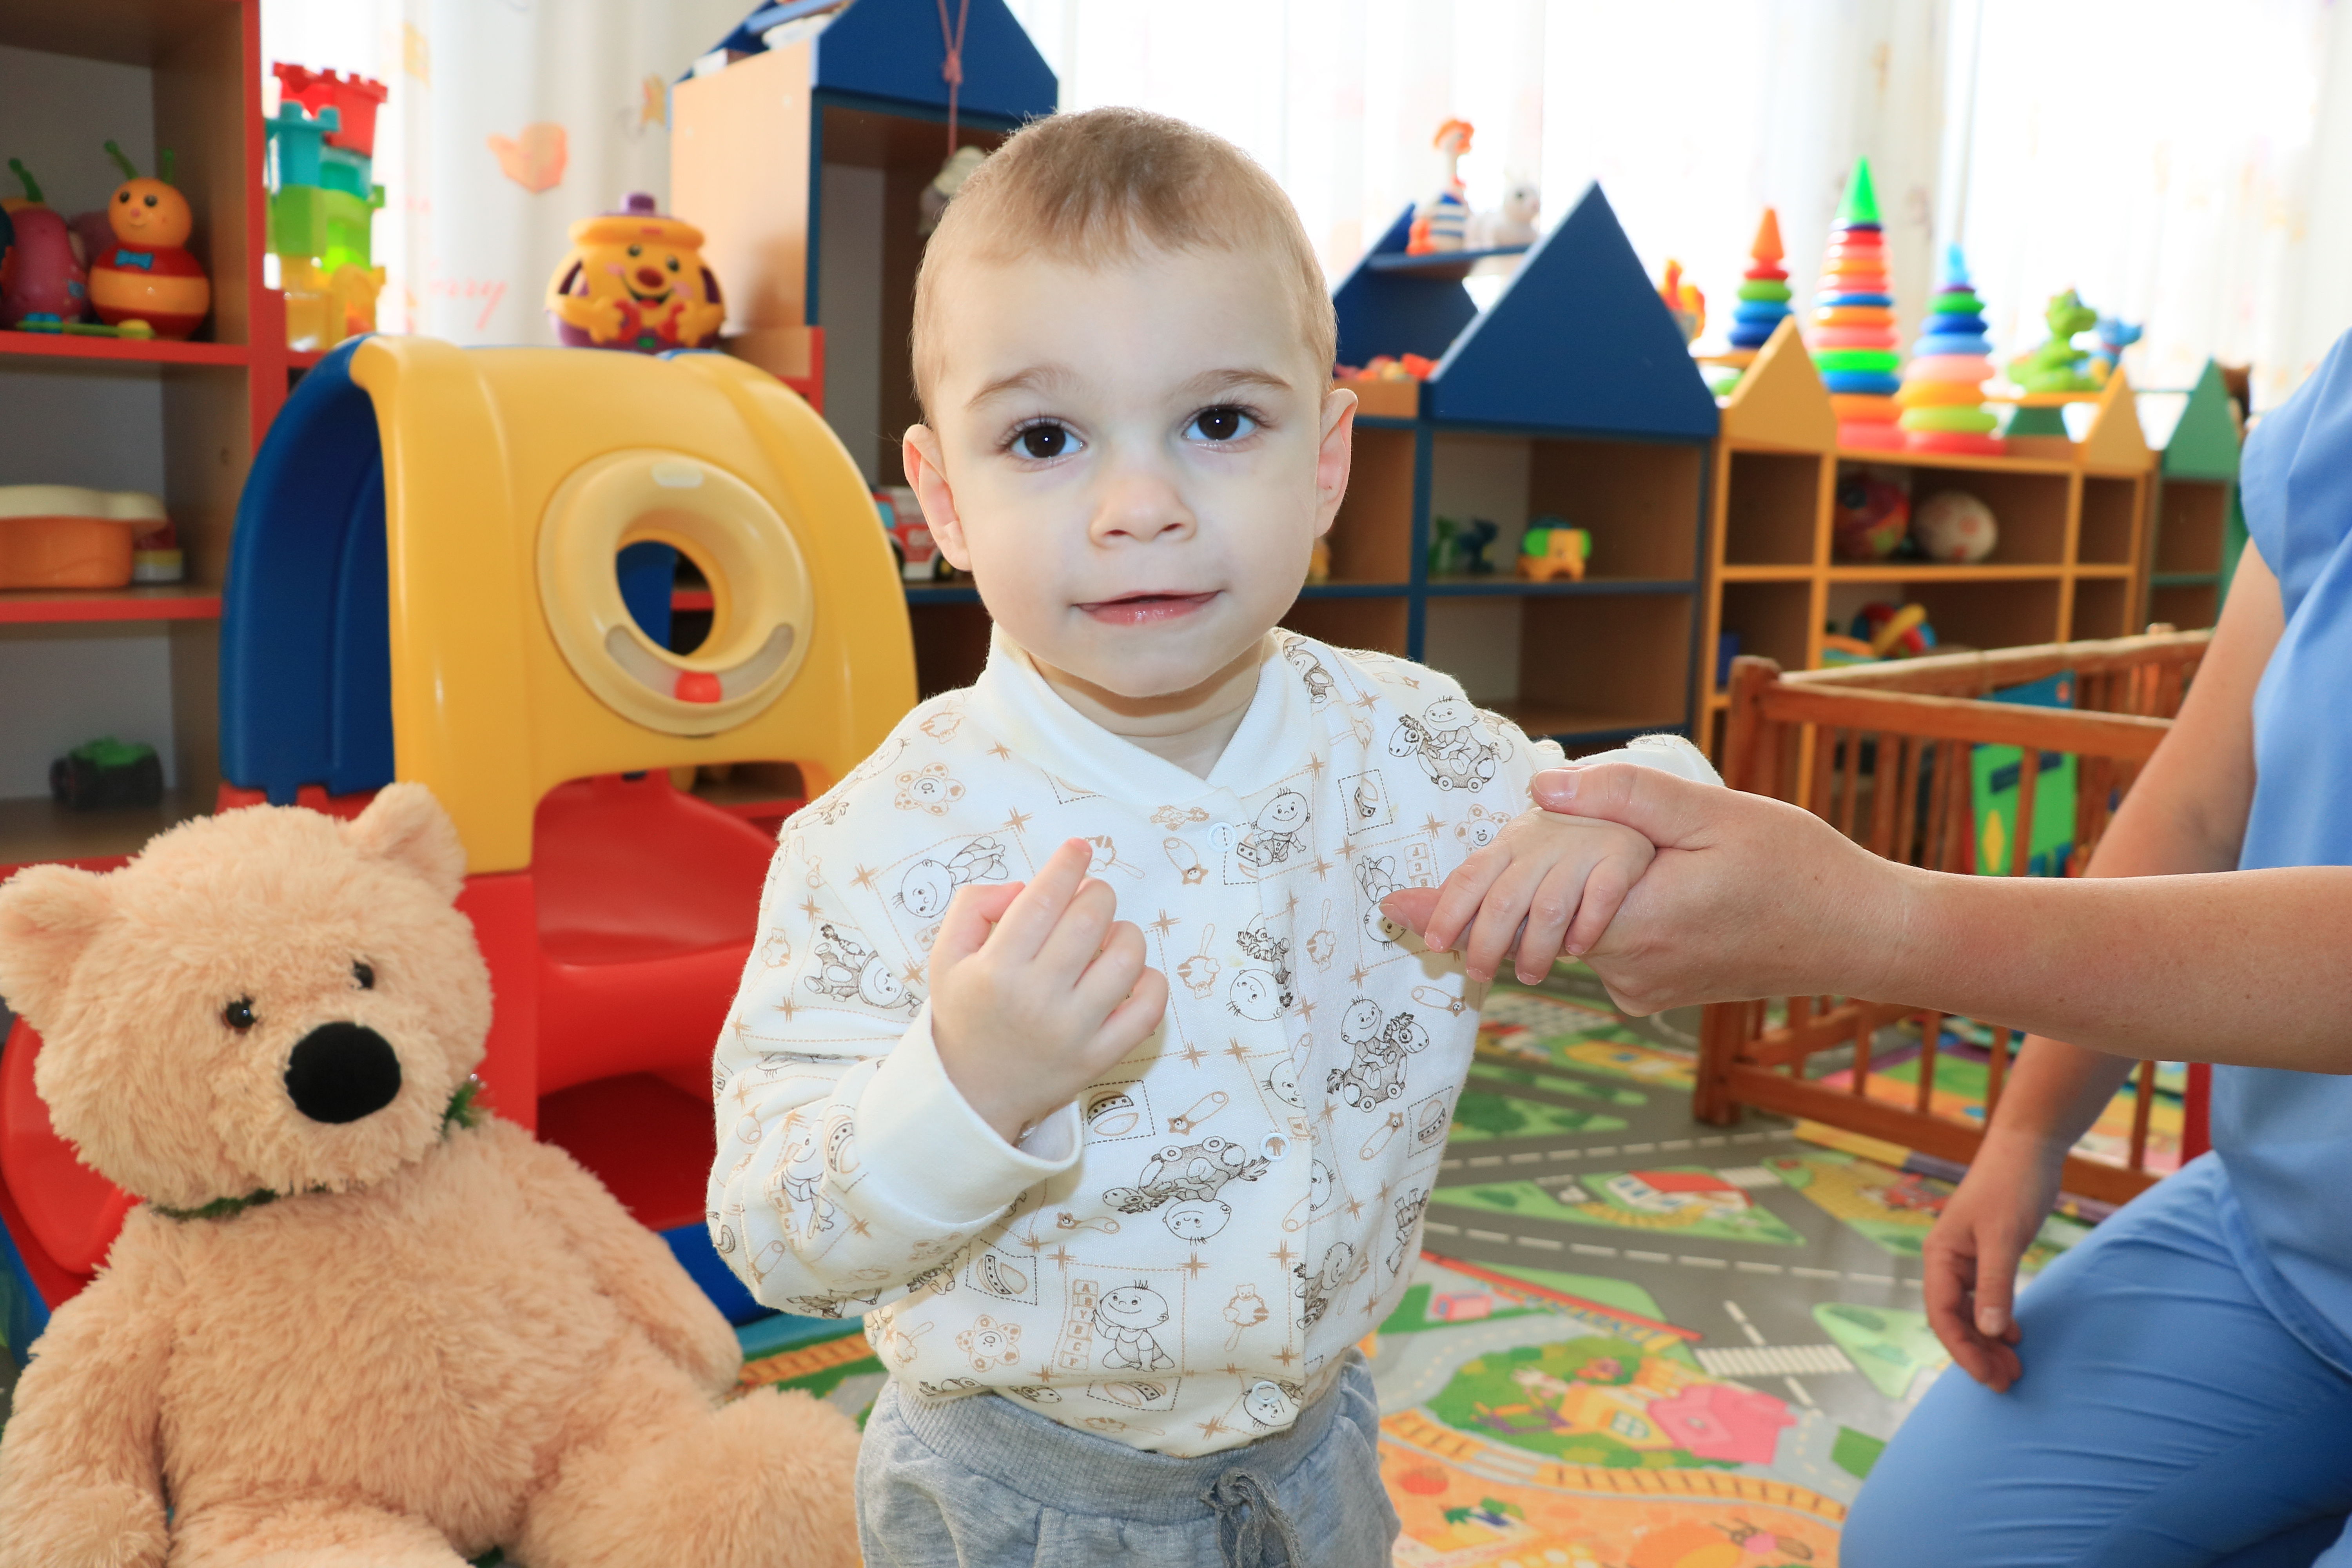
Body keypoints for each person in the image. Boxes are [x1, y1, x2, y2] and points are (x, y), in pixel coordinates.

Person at [705, 107, 1703, 1568]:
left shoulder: (1405, 747)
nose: (1143, 507)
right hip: (1020, 1497)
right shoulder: (881, 843)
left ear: (1326, 461)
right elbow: (769, 1232)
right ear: (944, 501)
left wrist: (1621, 824)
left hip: (1316, 1452)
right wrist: (969, 1085)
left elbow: (1661, 801)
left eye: (1219, 423)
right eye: (1046, 438)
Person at [1386, 332, 2352, 1566]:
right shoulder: (2334, 416)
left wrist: (1872, 922)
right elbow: (2196, 808)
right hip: (2288, 1237)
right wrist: (2029, 1131)